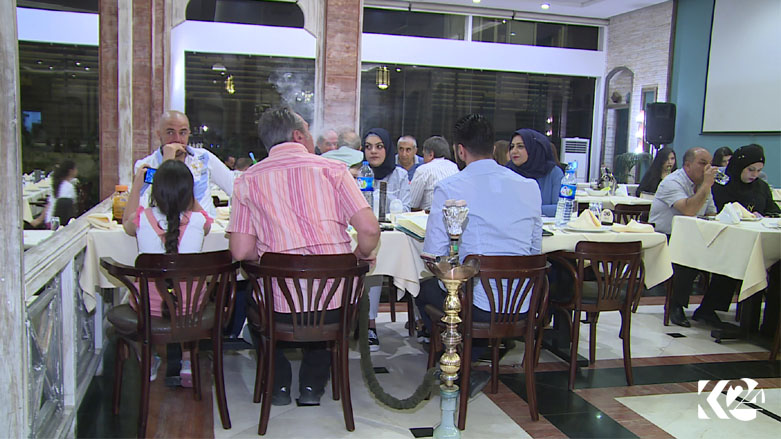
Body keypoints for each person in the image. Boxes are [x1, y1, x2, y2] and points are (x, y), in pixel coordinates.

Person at [228, 107, 379, 406]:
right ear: (298, 135)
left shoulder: (248, 180)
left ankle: (278, 385)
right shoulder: (333, 170)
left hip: (279, 309)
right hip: (335, 304)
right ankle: (312, 386)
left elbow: (241, 251)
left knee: (257, 307)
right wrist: (360, 255)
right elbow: (370, 229)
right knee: (327, 303)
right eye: (309, 132)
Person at [415, 113, 542, 396]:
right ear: (495, 148)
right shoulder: (529, 186)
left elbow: (435, 254)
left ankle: (459, 363)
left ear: (460, 150)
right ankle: (477, 352)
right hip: (522, 303)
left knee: (421, 289)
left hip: (477, 305)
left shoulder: (450, 187)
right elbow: (535, 251)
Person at [123, 159, 213, 387]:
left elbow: (126, 221)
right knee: (189, 294)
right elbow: (208, 222)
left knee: (129, 297)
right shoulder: (199, 221)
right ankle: (187, 361)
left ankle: (149, 357)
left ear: (156, 191)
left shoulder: (141, 219)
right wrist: (187, 195)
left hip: (148, 306)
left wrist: (137, 185)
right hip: (189, 307)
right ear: (189, 192)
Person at [711, 144, 780, 335]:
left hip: (759, 238)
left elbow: (773, 210)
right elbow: (721, 211)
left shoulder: (761, 187)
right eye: (750, 170)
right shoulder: (724, 185)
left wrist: (766, 216)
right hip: (730, 239)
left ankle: (767, 325)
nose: (754, 175)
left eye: (759, 170)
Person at [649, 147, 720, 327]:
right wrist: (705, 186)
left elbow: (711, 213)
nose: (707, 169)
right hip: (665, 236)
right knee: (688, 255)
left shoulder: (704, 186)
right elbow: (689, 210)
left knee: (728, 256)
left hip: (695, 235)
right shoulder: (672, 182)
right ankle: (676, 306)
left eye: (709, 164)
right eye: (702, 164)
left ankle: (708, 307)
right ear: (687, 165)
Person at [362, 128, 412, 351]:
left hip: (392, 234)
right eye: (368, 146)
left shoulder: (400, 175)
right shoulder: (360, 173)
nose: (373, 151)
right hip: (364, 233)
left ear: (387, 149)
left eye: (379, 146)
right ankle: (368, 324)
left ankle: (422, 323)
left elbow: (407, 209)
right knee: (371, 263)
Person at [134, 110, 235, 217]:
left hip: (203, 228)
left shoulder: (204, 157)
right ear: (159, 134)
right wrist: (168, 159)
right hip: (162, 228)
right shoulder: (145, 166)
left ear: (189, 133)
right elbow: (149, 203)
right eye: (170, 132)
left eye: (182, 133)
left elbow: (234, 188)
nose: (177, 139)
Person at [505, 128, 564, 217]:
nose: (514, 151)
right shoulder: (506, 171)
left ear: (534, 148)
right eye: (512, 147)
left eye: (520, 146)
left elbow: (561, 208)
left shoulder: (554, 173)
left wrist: (526, 210)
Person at [409, 136, 459, 211]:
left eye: (424, 154)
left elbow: (412, 203)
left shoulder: (423, 170)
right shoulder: (454, 167)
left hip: (428, 217)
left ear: (431, 154)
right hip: (454, 217)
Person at [46, 160, 78, 226]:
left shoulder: (57, 184)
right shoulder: (68, 187)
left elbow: (49, 205)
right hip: (57, 222)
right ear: (71, 171)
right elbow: (66, 209)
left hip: (49, 219)